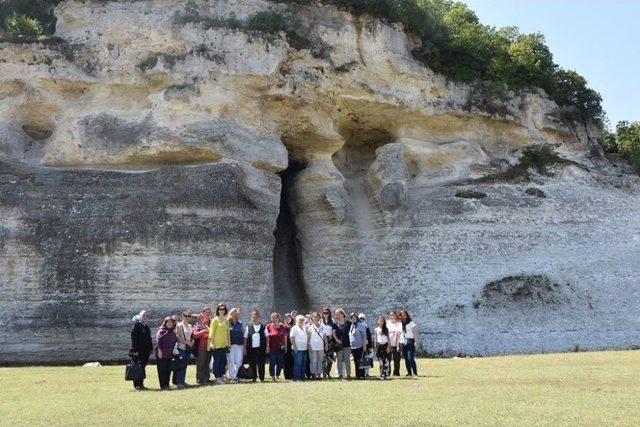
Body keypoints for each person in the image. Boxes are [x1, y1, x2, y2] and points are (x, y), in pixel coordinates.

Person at [207, 303, 230, 385]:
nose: (222, 311)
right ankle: (217, 378)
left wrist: (229, 343)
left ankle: (221, 376)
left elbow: (227, 333)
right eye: (220, 309)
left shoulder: (226, 320)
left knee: (222, 362)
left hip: (224, 345)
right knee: (217, 362)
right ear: (217, 310)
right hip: (216, 345)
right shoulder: (215, 320)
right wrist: (212, 344)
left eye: (223, 309)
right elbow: (211, 333)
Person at [130, 310, 153, 390]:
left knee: (142, 367)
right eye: (143, 315)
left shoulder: (146, 326)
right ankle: (136, 384)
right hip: (138, 351)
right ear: (140, 316)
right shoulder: (137, 325)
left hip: (146, 351)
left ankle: (141, 383)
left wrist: (151, 348)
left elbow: (149, 338)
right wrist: (135, 350)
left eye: (146, 315)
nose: (145, 317)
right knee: (137, 367)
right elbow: (134, 339)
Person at [244, 309, 267, 382]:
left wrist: (267, 346)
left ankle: (262, 378)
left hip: (261, 348)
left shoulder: (263, 327)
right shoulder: (248, 327)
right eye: (253, 317)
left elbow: (267, 337)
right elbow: (245, 338)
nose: (254, 318)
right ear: (251, 318)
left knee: (261, 364)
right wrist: (244, 348)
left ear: (259, 318)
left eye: (256, 317)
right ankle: (254, 378)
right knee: (252, 363)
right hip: (251, 349)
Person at [174, 310, 194, 389]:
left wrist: (192, 342)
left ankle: (182, 381)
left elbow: (192, 336)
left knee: (185, 365)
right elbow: (178, 337)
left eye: (189, 316)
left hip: (188, 348)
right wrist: (186, 342)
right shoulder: (179, 325)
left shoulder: (190, 326)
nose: (187, 317)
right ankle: (179, 382)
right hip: (181, 347)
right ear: (183, 316)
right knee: (181, 365)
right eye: (186, 316)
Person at [156, 316, 177, 390]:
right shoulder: (161, 331)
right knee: (162, 370)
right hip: (162, 353)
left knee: (168, 370)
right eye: (168, 322)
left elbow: (174, 342)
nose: (169, 324)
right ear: (165, 323)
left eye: (171, 322)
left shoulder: (172, 332)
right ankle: (163, 386)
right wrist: (159, 351)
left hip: (169, 354)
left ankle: (167, 385)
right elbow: (158, 342)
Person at [266, 312, 287, 382]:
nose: (275, 319)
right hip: (272, 348)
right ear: (271, 318)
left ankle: (277, 375)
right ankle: (272, 376)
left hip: (281, 348)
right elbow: (266, 337)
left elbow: (285, 337)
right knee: (272, 362)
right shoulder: (268, 326)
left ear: (278, 318)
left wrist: (286, 347)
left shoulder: (282, 326)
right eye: (273, 317)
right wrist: (267, 346)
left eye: (276, 317)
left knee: (280, 363)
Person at [307, 312, 327, 380]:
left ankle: (319, 374)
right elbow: (308, 338)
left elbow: (324, 337)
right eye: (314, 317)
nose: (316, 318)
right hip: (313, 347)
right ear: (312, 318)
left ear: (319, 318)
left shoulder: (323, 326)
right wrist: (309, 345)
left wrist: (326, 345)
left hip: (321, 347)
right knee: (313, 361)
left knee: (320, 360)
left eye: (317, 317)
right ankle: (314, 374)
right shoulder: (310, 327)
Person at [192, 314, 211, 385]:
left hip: (208, 347)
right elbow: (195, 335)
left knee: (207, 363)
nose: (200, 319)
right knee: (201, 363)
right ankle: (199, 379)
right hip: (201, 348)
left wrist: (206, 331)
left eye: (202, 318)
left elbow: (210, 332)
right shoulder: (195, 326)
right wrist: (204, 331)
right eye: (199, 318)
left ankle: (206, 378)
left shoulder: (206, 326)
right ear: (197, 319)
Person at [227, 308, 244, 382]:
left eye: (235, 313)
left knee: (239, 361)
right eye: (232, 313)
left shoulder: (240, 323)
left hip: (240, 345)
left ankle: (237, 375)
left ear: (237, 314)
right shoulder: (227, 323)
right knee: (231, 361)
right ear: (230, 314)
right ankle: (232, 377)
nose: (234, 315)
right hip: (230, 345)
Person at [333, 308, 352, 379]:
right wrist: (337, 340)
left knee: (347, 360)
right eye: (337, 315)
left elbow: (352, 333)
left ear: (343, 314)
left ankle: (348, 374)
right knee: (339, 360)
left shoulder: (349, 323)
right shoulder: (335, 324)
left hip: (347, 344)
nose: (338, 316)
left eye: (339, 314)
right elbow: (333, 333)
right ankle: (340, 374)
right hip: (338, 345)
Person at [400, 309, 419, 376]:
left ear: (407, 315)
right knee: (406, 359)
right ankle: (409, 372)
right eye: (402, 315)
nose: (403, 316)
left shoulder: (411, 323)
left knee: (410, 358)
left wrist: (416, 341)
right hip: (403, 342)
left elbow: (415, 333)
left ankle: (415, 372)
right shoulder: (400, 324)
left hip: (410, 341)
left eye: (404, 315)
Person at [349, 313, 368, 380]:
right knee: (356, 362)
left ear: (357, 318)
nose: (353, 319)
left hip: (360, 346)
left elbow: (364, 336)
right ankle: (358, 375)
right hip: (353, 347)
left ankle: (362, 375)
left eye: (354, 317)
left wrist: (364, 345)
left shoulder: (361, 325)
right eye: (352, 318)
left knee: (361, 361)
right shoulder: (352, 326)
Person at [290, 315, 308, 381]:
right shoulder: (294, 328)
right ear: (297, 321)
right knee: (298, 364)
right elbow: (292, 338)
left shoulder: (304, 328)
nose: (301, 321)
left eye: (302, 320)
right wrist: (295, 347)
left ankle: (302, 377)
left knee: (303, 364)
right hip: (298, 349)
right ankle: (297, 377)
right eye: (300, 320)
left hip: (304, 348)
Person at [320, 306, 337, 379]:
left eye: (327, 313)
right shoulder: (320, 321)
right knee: (323, 358)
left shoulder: (332, 321)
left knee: (330, 358)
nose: (325, 314)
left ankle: (328, 373)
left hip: (330, 340)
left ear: (329, 314)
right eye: (324, 313)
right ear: (322, 314)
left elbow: (334, 330)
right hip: (323, 340)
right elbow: (321, 332)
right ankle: (324, 373)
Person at [374, 315, 391, 380]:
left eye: (382, 321)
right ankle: (382, 374)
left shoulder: (386, 329)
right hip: (379, 346)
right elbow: (375, 338)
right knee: (381, 361)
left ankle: (386, 374)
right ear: (378, 322)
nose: (381, 322)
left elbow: (388, 339)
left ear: (384, 322)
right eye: (380, 321)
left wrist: (388, 347)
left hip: (385, 345)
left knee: (386, 361)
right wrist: (375, 346)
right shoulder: (376, 329)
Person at [387, 310, 403, 377]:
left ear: (396, 316)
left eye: (393, 315)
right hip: (388, 344)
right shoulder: (387, 323)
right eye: (390, 315)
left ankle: (396, 372)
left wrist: (398, 345)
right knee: (388, 359)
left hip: (396, 344)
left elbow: (399, 335)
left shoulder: (399, 324)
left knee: (397, 360)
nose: (392, 316)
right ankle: (388, 372)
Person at [359, 313, 373, 378]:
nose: (361, 319)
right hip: (359, 345)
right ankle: (361, 373)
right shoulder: (357, 326)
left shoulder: (366, 326)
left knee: (367, 358)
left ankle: (367, 373)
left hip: (366, 345)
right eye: (360, 318)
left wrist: (370, 347)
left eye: (362, 318)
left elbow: (369, 337)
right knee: (361, 359)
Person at [283, 313, 295, 380]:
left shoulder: (293, 326)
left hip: (292, 345)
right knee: (286, 362)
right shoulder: (283, 326)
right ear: (285, 319)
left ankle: (292, 375)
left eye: (289, 318)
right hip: (286, 346)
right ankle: (287, 376)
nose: (288, 319)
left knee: (292, 361)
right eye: (287, 318)